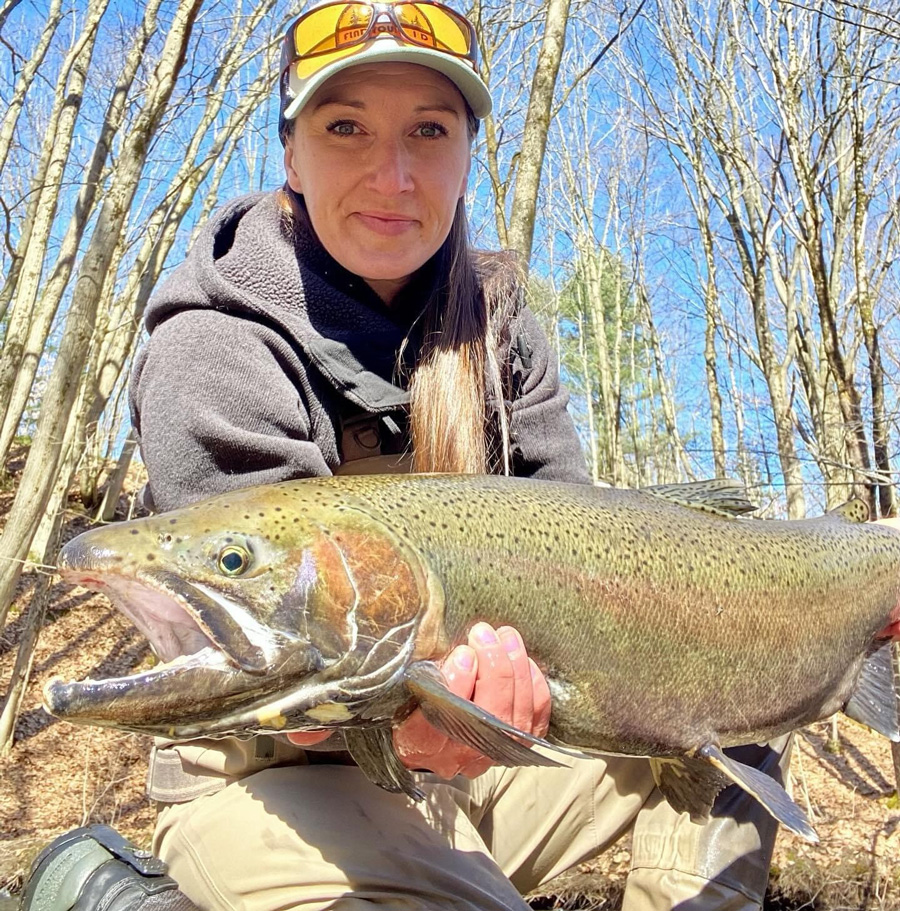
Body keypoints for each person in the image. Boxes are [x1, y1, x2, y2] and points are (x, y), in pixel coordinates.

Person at [122, 3, 791, 909]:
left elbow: (581, 553)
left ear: (468, 149)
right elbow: (285, 665)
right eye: (345, 126)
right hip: (272, 778)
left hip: (471, 766)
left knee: (736, 697)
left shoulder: (504, 333)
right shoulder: (215, 343)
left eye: (428, 130)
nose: (391, 174)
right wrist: (429, 716)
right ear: (291, 152)